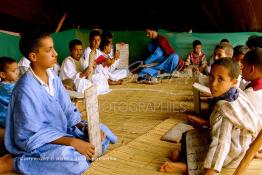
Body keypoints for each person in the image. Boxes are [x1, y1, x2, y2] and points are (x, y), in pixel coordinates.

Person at [1, 30, 117, 175]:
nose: (55, 53)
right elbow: (30, 135)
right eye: (49, 50)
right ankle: (17, 162)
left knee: (102, 132)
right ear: (33, 56)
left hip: (61, 132)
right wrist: (73, 142)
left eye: (53, 48)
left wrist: (86, 128)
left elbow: (68, 110)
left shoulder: (53, 78)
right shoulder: (25, 89)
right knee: (75, 162)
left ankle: (76, 151)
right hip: (39, 143)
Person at [160, 58, 262, 174]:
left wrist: (210, 172)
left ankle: (187, 168)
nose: (213, 84)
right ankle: (185, 159)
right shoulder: (237, 93)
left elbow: (221, 145)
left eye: (220, 79)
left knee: (208, 152)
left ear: (233, 82)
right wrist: (206, 123)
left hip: (232, 154)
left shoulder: (224, 113)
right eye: (211, 77)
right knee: (194, 136)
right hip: (242, 145)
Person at [0, 57, 19, 160]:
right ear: (3, 74)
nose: (17, 72)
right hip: (6, 119)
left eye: (17, 69)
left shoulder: (7, 86)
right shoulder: (9, 89)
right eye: (13, 71)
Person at [83, 30, 111, 94]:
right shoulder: (87, 51)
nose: (96, 42)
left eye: (98, 40)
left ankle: (109, 81)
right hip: (89, 74)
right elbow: (87, 67)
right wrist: (94, 64)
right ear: (90, 40)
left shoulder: (98, 51)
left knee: (102, 75)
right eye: (94, 40)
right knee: (99, 78)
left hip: (96, 72)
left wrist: (106, 61)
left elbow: (102, 61)